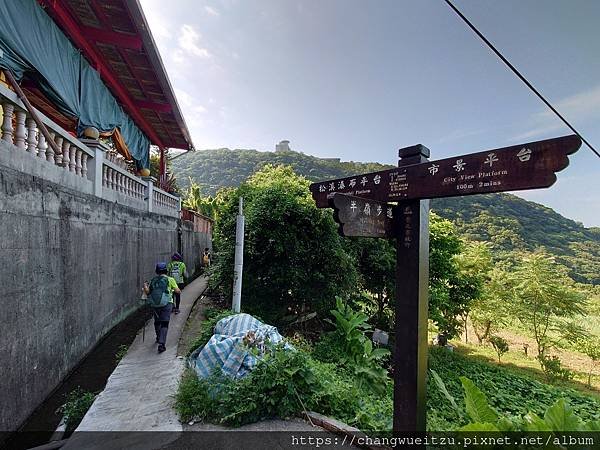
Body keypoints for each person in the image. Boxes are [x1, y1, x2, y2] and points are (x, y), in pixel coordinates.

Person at [143, 262, 180, 353]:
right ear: (166, 270)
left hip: (155, 305)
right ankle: (161, 344)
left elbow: (148, 292)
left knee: (157, 322)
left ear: (157, 271)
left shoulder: (153, 280)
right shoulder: (170, 279)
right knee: (164, 324)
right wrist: (172, 290)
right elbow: (178, 291)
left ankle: (158, 337)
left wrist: (145, 286)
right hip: (167, 304)